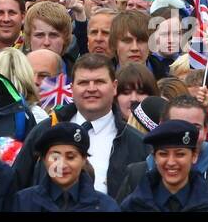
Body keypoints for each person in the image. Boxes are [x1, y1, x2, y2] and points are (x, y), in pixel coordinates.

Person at [12, 53, 146, 201]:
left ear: (114, 87)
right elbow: (17, 187)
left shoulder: (138, 143)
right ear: (72, 88)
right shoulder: (45, 132)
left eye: (99, 82)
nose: (91, 88)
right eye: (83, 83)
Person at [119, 120, 208, 212]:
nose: (171, 162)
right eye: (163, 154)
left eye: (180, 154)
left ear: (194, 156)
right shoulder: (133, 206)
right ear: (154, 157)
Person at [13, 122, 121, 212]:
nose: (62, 165)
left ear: (84, 159)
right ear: (44, 160)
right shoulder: (23, 202)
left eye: (70, 157)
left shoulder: (106, 207)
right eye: (55, 158)